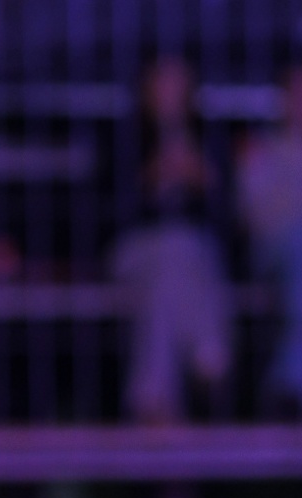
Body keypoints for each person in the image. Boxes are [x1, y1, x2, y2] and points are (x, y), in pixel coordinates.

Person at [111, 55, 232, 424]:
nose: (170, 90)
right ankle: (209, 350)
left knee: (170, 275)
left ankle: (154, 399)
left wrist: (205, 182)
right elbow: (100, 214)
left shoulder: (210, 139)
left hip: (197, 256)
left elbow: (234, 222)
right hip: (134, 250)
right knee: (172, 250)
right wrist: (149, 179)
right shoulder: (123, 137)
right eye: (161, 80)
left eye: (178, 81)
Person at [237, 59, 302, 418]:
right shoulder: (260, 152)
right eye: (299, 94)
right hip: (280, 258)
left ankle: (297, 387)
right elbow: (258, 217)